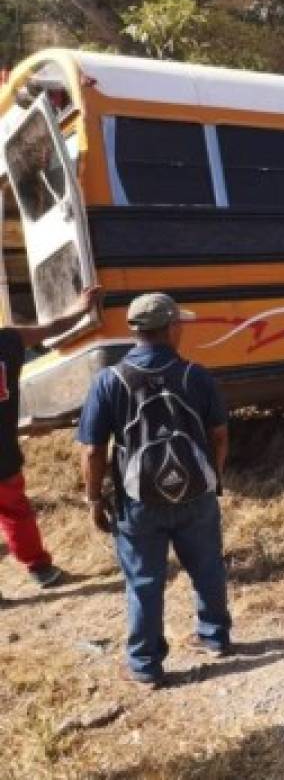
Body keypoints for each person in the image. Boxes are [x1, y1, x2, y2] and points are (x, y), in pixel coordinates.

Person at [77, 293, 231, 687]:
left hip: (138, 500)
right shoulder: (196, 375)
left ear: (136, 331)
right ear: (172, 328)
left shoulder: (109, 381)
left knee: (144, 582)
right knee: (208, 567)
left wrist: (94, 497)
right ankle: (215, 638)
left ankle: (146, 666)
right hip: (197, 494)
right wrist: (213, 480)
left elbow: (93, 450)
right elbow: (219, 436)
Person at [0, 287, 101, 599]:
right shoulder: (7, 341)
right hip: (3, 456)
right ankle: (40, 569)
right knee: (16, 512)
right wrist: (81, 308)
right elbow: (53, 328)